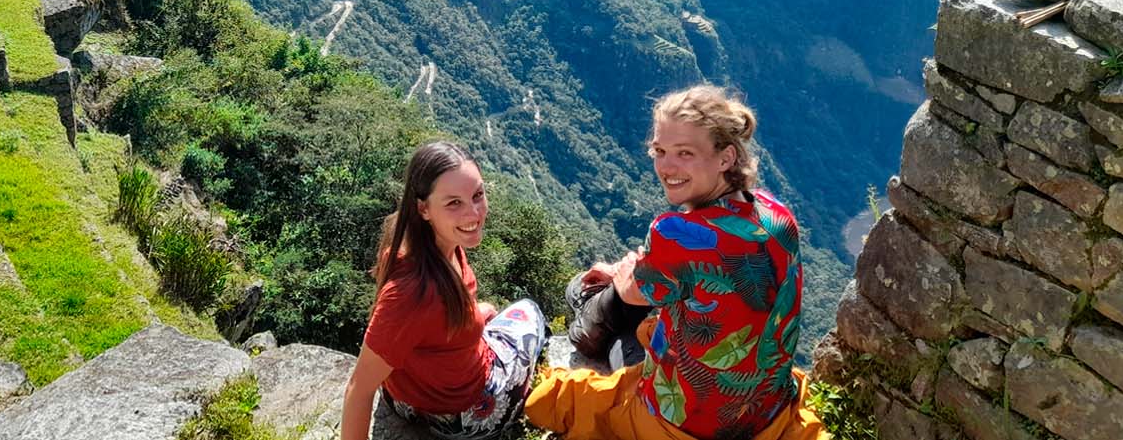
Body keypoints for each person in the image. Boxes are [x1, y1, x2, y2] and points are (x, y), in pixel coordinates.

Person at [526, 86, 827, 440]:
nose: (666, 166)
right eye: (660, 150)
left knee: (588, 325)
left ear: (726, 158)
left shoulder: (676, 232)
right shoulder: (777, 215)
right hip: (761, 412)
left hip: (685, 424)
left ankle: (585, 320)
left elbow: (633, 292)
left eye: (685, 153)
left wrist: (621, 275)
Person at [341, 141, 547, 440]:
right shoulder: (411, 293)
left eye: (478, 195)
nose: (474, 213)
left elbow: (427, 326)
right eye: (454, 203)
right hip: (463, 414)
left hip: (405, 399)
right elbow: (359, 388)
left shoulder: (416, 243)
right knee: (530, 310)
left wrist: (472, 315)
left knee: (487, 312)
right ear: (423, 208)